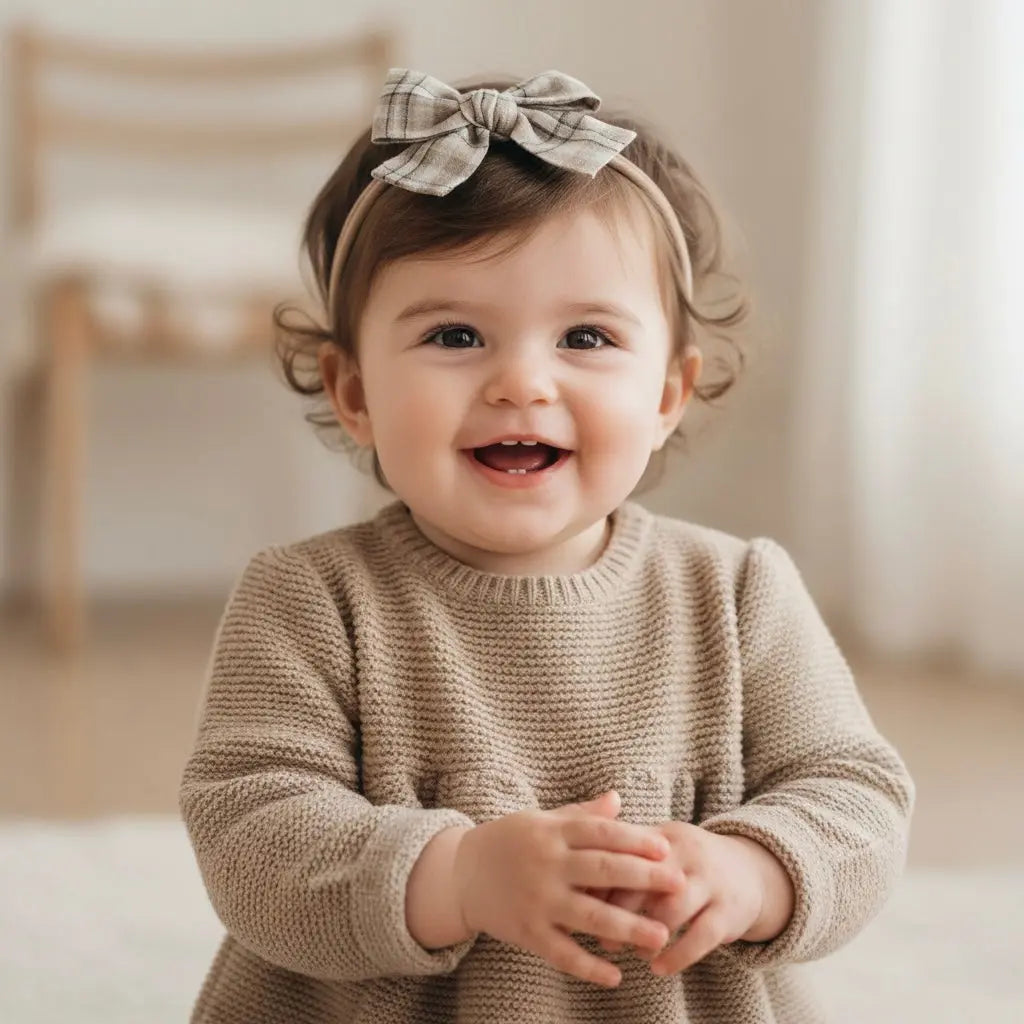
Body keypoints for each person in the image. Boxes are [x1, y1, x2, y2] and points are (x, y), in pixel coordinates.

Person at [179, 68, 914, 1023]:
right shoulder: (310, 599)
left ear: (666, 394)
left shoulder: (735, 593)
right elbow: (252, 835)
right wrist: (456, 876)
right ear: (354, 391)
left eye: (586, 336)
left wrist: (755, 867)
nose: (522, 383)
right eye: (453, 334)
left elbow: (855, 794)